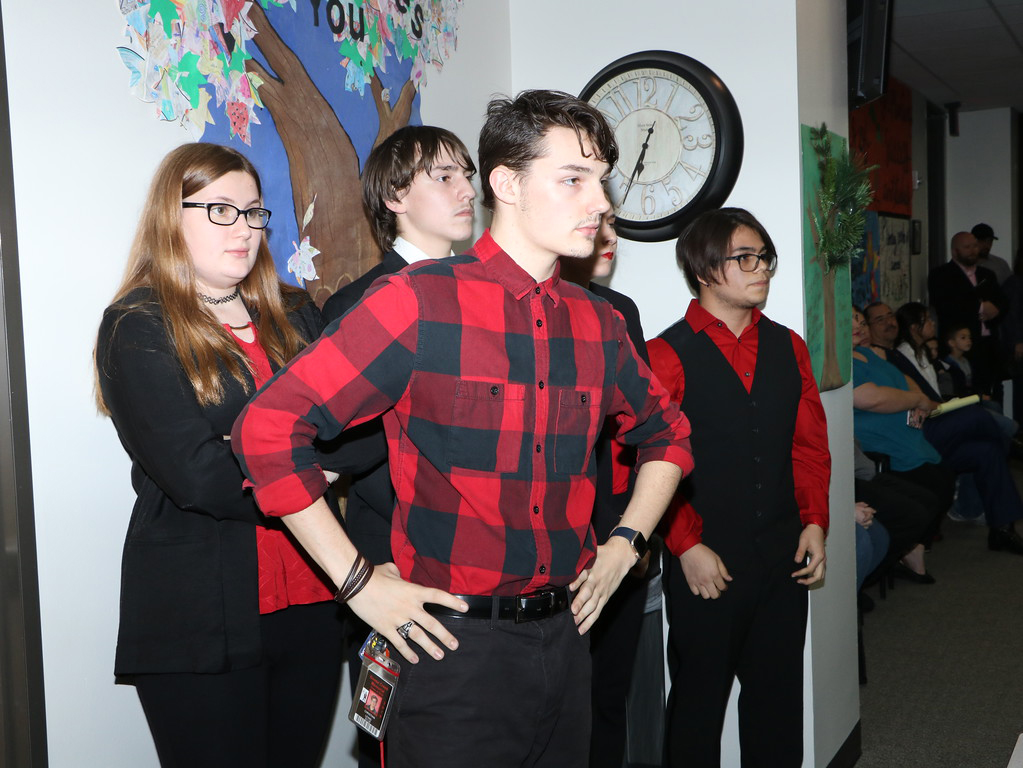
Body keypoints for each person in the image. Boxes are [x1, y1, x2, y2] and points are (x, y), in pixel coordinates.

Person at [231, 89, 693, 768]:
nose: (598, 202)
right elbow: (266, 430)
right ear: (505, 183)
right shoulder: (417, 303)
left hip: (565, 643)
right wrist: (357, 582)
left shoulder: (596, 322)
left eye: (600, 181)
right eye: (572, 179)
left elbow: (668, 434)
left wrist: (625, 542)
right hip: (449, 651)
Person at [94, 143, 371, 768]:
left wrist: (271, 453)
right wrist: (309, 459)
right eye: (221, 210)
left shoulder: (296, 311)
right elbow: (198, 474)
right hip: (199, 618)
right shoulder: (138, 324)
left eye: (253, 212)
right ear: (173, 214)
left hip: (314, 599)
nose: (243, 228)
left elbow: (365, 432)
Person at [647, 207, 830, 768]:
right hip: (706, 563)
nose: (762, 270)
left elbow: (808, 447)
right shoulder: (665, 353)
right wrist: (685, 546)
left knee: (777, 707)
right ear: (705, 270)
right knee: (697, 710)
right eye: (745, 258)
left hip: (782, 559)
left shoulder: (789, 347)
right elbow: (651, 461)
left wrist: (815, 523)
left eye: (764, 258)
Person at [319, 124, 476, 768]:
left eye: (467, 173)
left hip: (496, 569)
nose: (466, 187)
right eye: (444, 176)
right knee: (405, 743)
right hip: (398, 563)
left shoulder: (494, 293)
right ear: (394, 196)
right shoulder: (361, 303)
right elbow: (327, 444)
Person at [561, 212, 656, 768]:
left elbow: (648, 433)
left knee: (607, 697)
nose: (609, 239)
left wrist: (634, 534)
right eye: (597, 226)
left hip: (616, 538)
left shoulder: (621, 312)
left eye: (612, 226)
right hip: (551, 546)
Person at [851, 307, 1023, 555]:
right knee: (977, 415)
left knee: (988, 450)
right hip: (912, 434)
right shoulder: (851, 362)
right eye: (874, 320)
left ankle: (1003, 530)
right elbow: (873, 398)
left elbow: (911, 387)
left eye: (862, 322)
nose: (862, 327)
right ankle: (1016, 447)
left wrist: (917, 400)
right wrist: (917, 401)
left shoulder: (879, 356)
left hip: (922, 426)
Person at [928, 231, 1007, 399]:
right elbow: (947, 306)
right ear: (955, 251)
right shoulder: (941, 275)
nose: (973, 250)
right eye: (967, 247)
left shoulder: (987, 275)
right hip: (960, 346)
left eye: (975, 246)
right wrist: (980, 307)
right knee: (969, 391)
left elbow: (1002, 303)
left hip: (989, 343)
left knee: (994, 389)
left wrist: (994, 311)